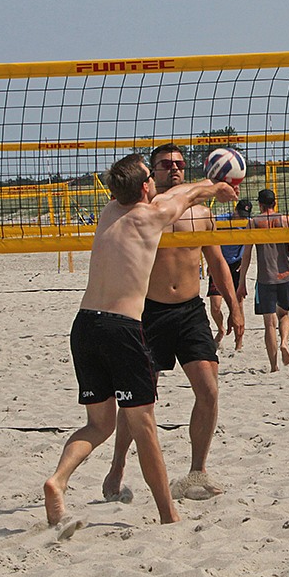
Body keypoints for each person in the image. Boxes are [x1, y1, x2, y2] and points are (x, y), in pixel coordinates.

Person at [43, 154, 237, 527]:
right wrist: (215, 187)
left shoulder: (109, 212)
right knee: (145, 427)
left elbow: (179, 193)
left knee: (98, 425)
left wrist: (209, 187)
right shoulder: (151, 217)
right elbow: (186, 196)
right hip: (121, 328)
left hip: (84, 327)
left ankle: (58, 480)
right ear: (147, 186)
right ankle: (168, 515)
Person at [101, 144, 245, 505]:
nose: (175, 169)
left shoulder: (201, 213)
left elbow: (216, 262)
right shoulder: (143, 211)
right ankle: (117, 467)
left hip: (190, 311)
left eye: (179, 163)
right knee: (138, 402)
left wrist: (235, 306)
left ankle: (198, 471)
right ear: (151, 173)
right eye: (165, 164)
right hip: (148, 312)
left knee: (209, 390)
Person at [237, 188, 289, 373]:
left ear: (259, 205)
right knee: (284, 315)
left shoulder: (253, 223)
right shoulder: (286, 221)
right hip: (285, 276)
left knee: (269, 324)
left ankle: (274, 366)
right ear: (275, 203)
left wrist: (242, 282)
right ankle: (284, 343)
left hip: (265, 279)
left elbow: (246, 254)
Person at [209, 198, 253, 353]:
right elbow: (209, 238)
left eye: (244, 215)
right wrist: (211, 261)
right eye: (240, 214)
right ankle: (221, 329)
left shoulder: (247, 223)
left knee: (238, 305)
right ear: (235, 211)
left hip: (236, 265)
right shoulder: (220, 220)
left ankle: (238, 343)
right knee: (215, 306)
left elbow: (248, 245)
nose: (241, 218)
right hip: (219, 264)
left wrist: (243, 262)